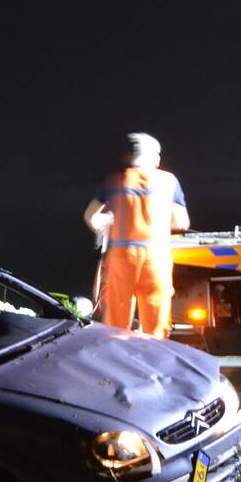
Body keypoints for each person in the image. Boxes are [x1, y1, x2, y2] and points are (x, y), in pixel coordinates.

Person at [83, 132, 190, 339]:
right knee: (157, 324)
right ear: (153, 157)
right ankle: (156, 364)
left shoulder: (112, 182)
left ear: (128, 156)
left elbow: (90, 217)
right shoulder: (169, 181)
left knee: (116, 325)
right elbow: (182, 222)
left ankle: (119, 366)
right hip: (156, 257)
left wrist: (105, 225)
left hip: (122, 258)